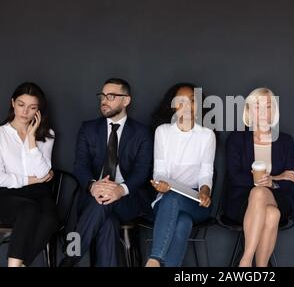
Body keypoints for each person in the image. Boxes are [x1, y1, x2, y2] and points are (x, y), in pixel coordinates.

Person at [59, 78, 154, 267]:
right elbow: (80, 165)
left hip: (128, 199)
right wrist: (93, 186)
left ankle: (67, 262)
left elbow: (142, 172)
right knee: (107, 224)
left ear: (126, 100)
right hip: (93, 195)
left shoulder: (142, 133)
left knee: (101, 205)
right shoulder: (88, 129)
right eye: (102, 95)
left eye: (111, 96)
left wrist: (121, 190)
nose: (104, 100)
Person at [224, 87, 294, 267]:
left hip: (279, 197)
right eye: (258, 107)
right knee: (271, 214)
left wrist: (272, 182)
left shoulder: (286, 141)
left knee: (260, 193)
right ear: (249, 111)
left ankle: (245, 261)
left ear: (274, 111)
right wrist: (273, 177)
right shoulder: (237, 139)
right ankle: (261, 269)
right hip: (241, 201)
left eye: (268, 107)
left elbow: (290, 181)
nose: (264, 112)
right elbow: (234, 176)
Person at [145, 83, 216, 267]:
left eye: (192, 101)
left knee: (174, 200)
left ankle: (154, 260)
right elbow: (159, 171)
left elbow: (206, 173)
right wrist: (160, 184)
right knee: (182, 222)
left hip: (195, 201)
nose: (188, 106)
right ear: (174, 105)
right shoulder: (163, 132)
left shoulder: (207, 135)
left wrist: (205, 191)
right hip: (166, 197)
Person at [0, 82, 58, 267]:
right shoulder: (1, 135)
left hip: (38, 192)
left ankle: (19, 265)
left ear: (39, 111)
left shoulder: (47, 134)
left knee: (50, 220)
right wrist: (31, 179)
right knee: (29, 209)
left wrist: (32, 138)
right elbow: (0, 178)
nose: (25, 112)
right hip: (6, 194)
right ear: (12, 103)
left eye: (32, 107)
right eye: (21, 105)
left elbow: (43, 172)